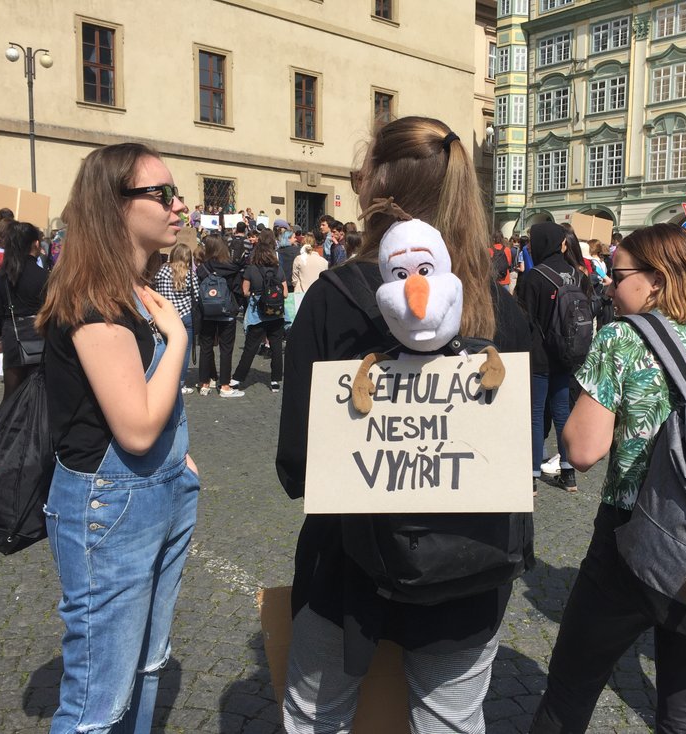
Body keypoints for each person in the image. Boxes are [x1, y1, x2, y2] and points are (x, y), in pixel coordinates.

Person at [276, 116, 531, 733]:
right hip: (474, 570)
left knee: (316, 719)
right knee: (451, 722)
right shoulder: (503, 308)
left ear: (378, 183)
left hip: (347, 567)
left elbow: (298, 461)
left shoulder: (335, 296)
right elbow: (513, 454)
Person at [530, 223, 686, 734]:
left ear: (656, 280)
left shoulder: (622, 337)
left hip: (632, 533)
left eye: (617, 277)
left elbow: (583, 450)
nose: (608, 288)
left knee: (571, 688)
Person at [36, 142, 199, 733]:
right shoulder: (93, 300)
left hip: (161, 489)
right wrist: (177, 338)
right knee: (96, 701)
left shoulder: (134, 288)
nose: (178, 204)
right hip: (110, 501)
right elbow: (133, 428)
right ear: (116, 206)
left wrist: (181, 462)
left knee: (149, 663)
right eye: (162, 193)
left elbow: (143, 401)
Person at [514, 222, 585, 492]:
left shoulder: (534, 277)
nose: (530, 246)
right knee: (563, 413)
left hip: (539, 356)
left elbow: (524, 321)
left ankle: (531, 476)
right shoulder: (576, 275)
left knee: (534, 415)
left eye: (532, 241)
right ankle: (568, 474)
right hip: (567, 355)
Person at [0, 221, 49, 398]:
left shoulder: (1, 277)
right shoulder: (44, 276)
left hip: (13, 337)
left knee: (11, 395)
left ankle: (4, 425)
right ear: (35, 244)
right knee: (43, 393)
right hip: (42, 336)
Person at [231, 229, 286, 393]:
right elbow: (285, 293)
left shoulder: (251, 269)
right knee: (276, 347)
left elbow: (245, 291)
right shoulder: (278, 269)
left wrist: (257, 293)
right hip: (276, 314)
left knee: (250, 348)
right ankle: (275, 380)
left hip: (258, 314)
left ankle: (237, 379)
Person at [196, 234, 245, 397]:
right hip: (227, 313)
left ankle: (204, 382)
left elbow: (197, 290)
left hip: (207, 313)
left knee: (205, 348)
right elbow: (238, 289)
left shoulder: (203, 268)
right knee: (226, 349)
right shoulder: (232, 268)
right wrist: (235, 307)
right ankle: (224, 385)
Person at [153, 243, 198, 394]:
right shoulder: (190, 274)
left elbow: (157, 292)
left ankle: (163, 381)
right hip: (186, 316)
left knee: (165, 348)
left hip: (167, 316)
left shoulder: (162, 271)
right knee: (184, 351)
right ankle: (180, 383)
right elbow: (196, 296)